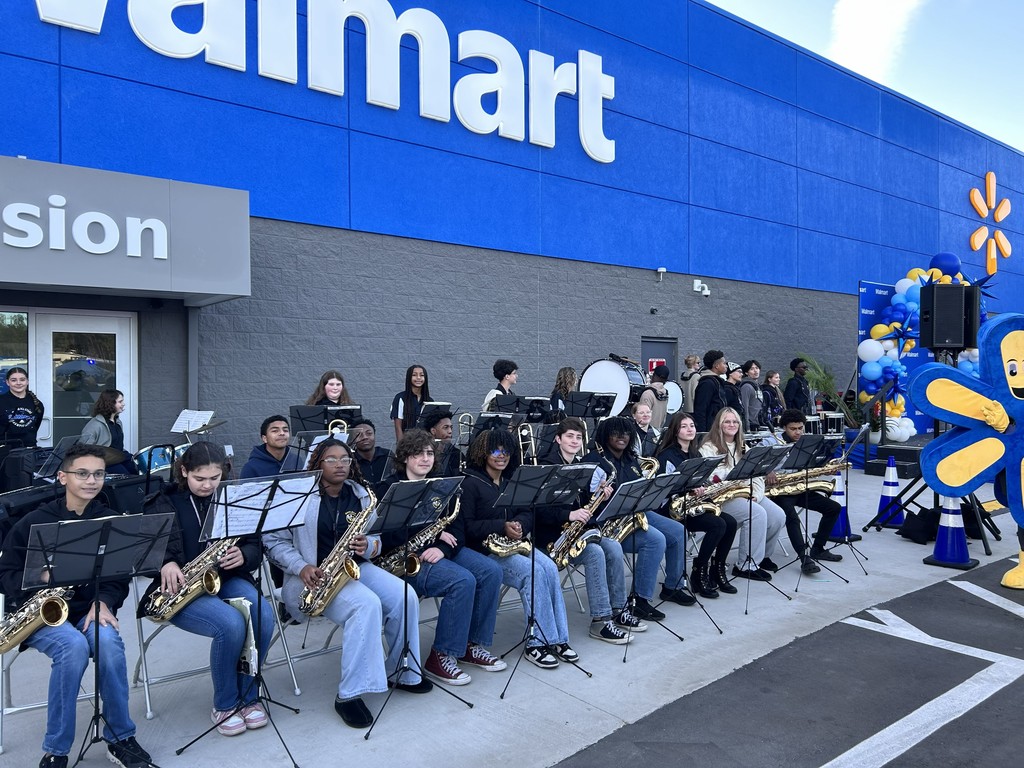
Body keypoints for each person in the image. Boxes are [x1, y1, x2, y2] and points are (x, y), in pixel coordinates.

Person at [0, 444, 153, 768]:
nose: (91, 481)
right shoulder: (32, 522)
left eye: (98, 474)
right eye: (82, 473)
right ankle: (56, 750)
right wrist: (38, 575)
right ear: (62, 477)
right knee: (72, 647)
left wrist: (103, 602)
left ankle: (120, 737)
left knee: (109, 645)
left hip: (88, 609)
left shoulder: (110, 521)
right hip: (42, 614)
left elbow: (117, 577)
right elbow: (6, 573)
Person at [263, 438, 430, 730]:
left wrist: (369, 545)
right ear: (317, 463)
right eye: (331, 459)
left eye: (345, 459)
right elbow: (273, 542)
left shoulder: (361, 494)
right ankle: (349, 694)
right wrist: (301, 566)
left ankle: (402, 671)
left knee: (405, 595)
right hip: (313, 578)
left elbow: (377, 538)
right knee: (365, 605)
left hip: (354, 567)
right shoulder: (297, 496)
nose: (340, 465)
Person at [139, 442, 273, 736]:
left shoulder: (234, 500)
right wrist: (165, 562)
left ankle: (248, 696)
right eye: (199, 478)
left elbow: (254, 544)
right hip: (179, 587)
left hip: (225, 576)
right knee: (230, 624)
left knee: (263, 616)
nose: (208, 485)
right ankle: (225, 704)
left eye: (215, 478)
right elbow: (145, 551)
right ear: (183, 471)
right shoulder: (163, 502)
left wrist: (245, 555)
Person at [377, 430, 506, 685]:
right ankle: (441, 656)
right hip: (404, 558)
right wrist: (436, 535)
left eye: (429, 453)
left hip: (438, 551)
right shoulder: (387, 489)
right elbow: (386, 535)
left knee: (491, 571)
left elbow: (456, 528)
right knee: (462, 581)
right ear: (405, 457)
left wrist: (442, 548)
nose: (425, 458)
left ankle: (470, 645)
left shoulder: (441, 485)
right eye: (418, 453)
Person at [460, 427, 577, 669]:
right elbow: (467, 527)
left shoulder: (511, 480)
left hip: (515, 544)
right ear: (482, 452)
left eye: (506, 451)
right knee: (532, 573)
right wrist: (501, 526)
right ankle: (536, 643)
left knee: (549, 568)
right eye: (495, 451)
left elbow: (527, 511)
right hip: (486, 551)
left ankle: (558, 639)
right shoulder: (470, 484)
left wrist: (520, 524)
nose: (501, 456)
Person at [534, 418, 646, 644]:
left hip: (577, 533)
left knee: (613, 546)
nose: (574, 441)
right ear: (558, 439)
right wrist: (569, 515)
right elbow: (538, 511)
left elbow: (584, 503)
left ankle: (618, 609)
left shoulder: (581, 466)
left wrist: (598, 496)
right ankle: (600, 621)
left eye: (578, 437)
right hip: (553, 538)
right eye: (569, 436)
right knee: (595, 553)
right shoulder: (547, 467)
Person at [583, 417, 690, 613]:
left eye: (626, 433)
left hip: (637, 512)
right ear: (605, 435)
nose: (622, 436)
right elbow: (587, 500)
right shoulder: (594, 460)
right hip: (610, 521)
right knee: (655, 540)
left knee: (678, 531)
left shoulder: (631, 458)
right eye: (615, 432)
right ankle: (639, 599)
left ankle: (673, 587)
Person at [655, 412, 738, 598]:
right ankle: (699, 571)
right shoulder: (666, 455)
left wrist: (703, 487)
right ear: (675, 431)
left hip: (692, 504)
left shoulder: (695, 453)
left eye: (692, 426)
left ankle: (717, 570)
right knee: (718, 525)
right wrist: (688, 489)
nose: (689, 429)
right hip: (672, 509)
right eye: (684, 426)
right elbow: (662, 489)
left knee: (730, 523)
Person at [699, 408, 786, 581]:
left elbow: (758, 475)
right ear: (719, 424)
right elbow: (713, 478)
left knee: (778, 515)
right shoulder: (707, 448)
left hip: (747, 493)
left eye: (735, 422)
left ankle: (761, 556)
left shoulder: (744, 446)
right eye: (727, 421)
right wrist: (739, 477)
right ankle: (746, 565)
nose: (732, 425)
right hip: (722, 498)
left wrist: (756, 495)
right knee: (757, 514)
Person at [768, 409, 844, 574]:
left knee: (833, 508)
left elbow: (812, 464)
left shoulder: (807, 442)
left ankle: (818, 548)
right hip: (779, 491)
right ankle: (804, 558)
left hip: (800, 487)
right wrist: (768, 471)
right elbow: (757, 462)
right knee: (792, 517)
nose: (797, 432)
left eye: (800, 428)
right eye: (793, 429)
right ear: (784, 428)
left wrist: (825, 469)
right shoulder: (770, 441)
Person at [80, 389, 136, 474]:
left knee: (138, 471)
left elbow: (117, 445)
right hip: (106, 462)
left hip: (119, 457)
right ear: (110, 403)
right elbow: (84, 449)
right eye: (120, 402)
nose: (123, 404)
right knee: (125, 476)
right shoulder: (94, 425)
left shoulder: (118, 422)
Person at [0, 366, 44, 447]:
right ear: (7, 382)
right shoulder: (1, 401)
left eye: (22, 380)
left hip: (29, 450)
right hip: (5, 450)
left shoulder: (37, 404)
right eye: (13, 380)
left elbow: (35, 427)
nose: (18, 383)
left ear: (27, 381)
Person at [391, 364, 431, 443]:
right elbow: (398, 427)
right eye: (414, 375)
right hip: (407, 443)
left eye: (421, 375)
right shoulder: (400, 398)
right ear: (409, 377)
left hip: (425, 443)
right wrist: (401, 446)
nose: (418, 378)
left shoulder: (430, 400)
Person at [349, 418, 391, 489]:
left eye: (369, 433)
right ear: (352, 439)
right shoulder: (350, 460)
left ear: (374, 435)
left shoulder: (388, 455)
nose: (364, 437)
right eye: (358, 435)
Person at [693, 350, 728, 432]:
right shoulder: (707, 383)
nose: (726, 366)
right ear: (717, 366)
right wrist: (702, 434)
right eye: (724, 363)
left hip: (718, 427)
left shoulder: (717, 382)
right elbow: (700, 410)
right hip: (710, 429)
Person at [423, 409, 462, 477]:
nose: (450, 431)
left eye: (451, 427)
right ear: (433, 431)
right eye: (445, 427)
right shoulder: (423, 455)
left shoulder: (456, 454)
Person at [638, 364, 670, 430]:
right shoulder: (665, 394)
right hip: (658, 431)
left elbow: (642, 418)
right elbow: (663, 418)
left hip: (646, 432)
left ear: (654, 376)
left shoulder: (648, 394)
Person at [739, 360, 766, 431]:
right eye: (752, 369)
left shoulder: (758, 386)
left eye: (757, 368)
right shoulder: (746, 387)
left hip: (758, 423)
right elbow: (744, 407)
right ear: (746, 372)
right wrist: (747, 427)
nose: (755, 371)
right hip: (750, 425)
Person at [722, 363, 746, 428]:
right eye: (739, 372)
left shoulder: (735, 388)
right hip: (731, 423)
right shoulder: (727, 389)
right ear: (730, 373)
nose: (741, 374)